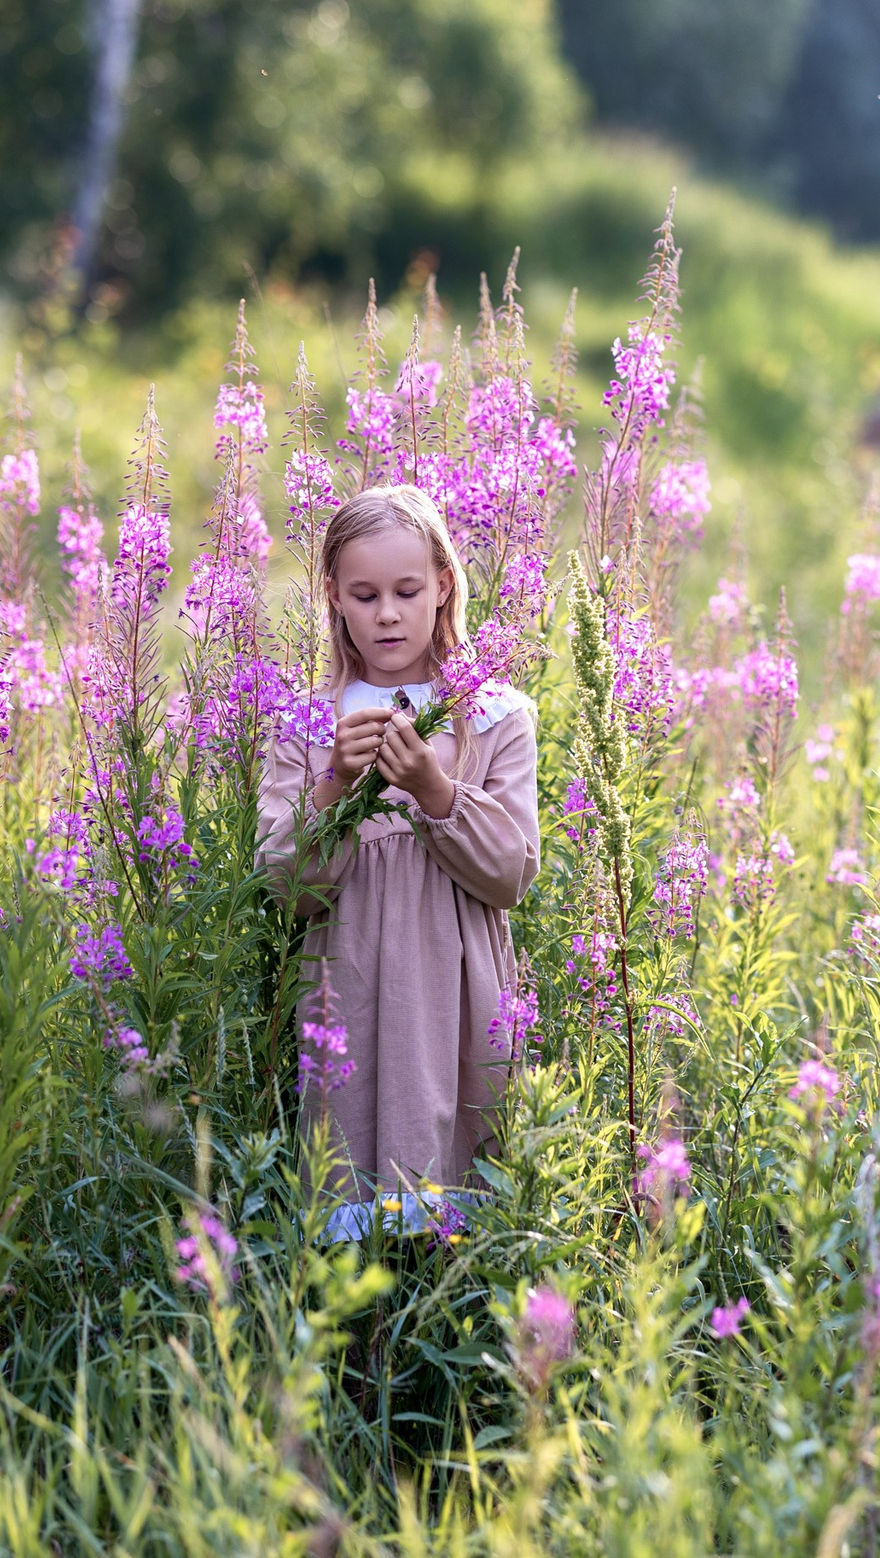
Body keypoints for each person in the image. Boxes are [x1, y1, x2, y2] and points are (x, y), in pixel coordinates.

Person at [260, 486, 539, 1240]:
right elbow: (288, 891)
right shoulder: (308, 723)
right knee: (354, 1215)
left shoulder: (494, 715)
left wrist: (432, 786)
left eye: (407, 590)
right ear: (334, 597)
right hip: (348, 998)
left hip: (458, 1002)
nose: (387, 612)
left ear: (444, 583)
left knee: (460, 1213)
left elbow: (511, 870)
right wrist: (334, 784)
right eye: (365, 593)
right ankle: (366, 1348)